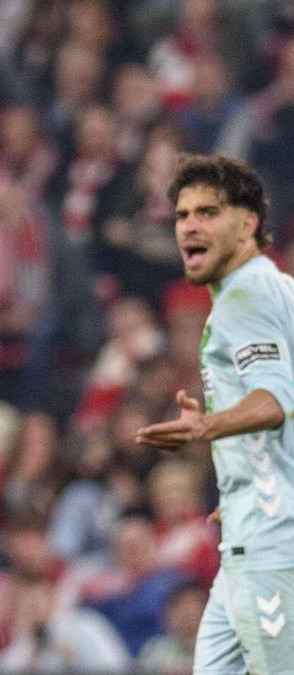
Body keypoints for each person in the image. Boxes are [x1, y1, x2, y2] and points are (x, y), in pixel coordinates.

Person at [137, 153, 294, 674]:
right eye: (182, 215)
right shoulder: (276, 292)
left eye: (208, 212)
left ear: (248, 224)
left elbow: (275, 400)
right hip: (248, 540)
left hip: (272, 550)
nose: (190, 227)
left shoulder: (246, 299)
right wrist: (252, 477)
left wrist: (205, 426)